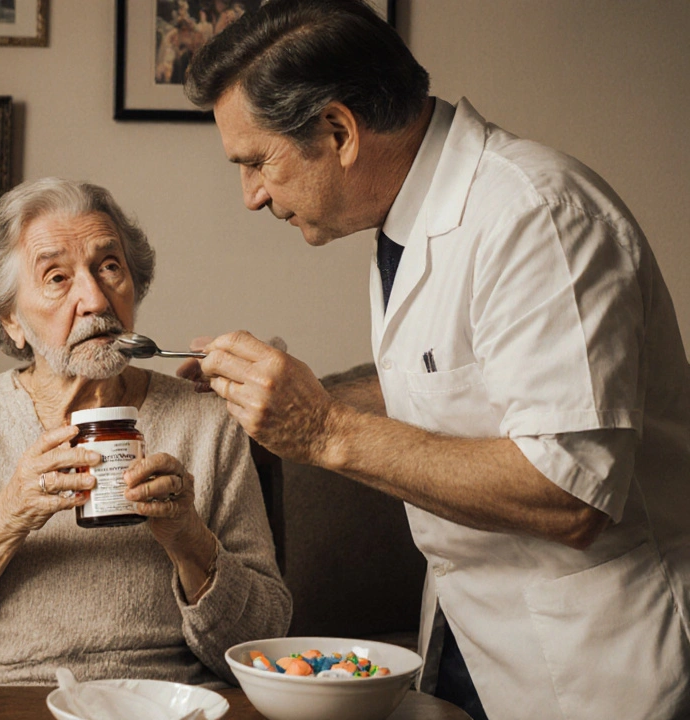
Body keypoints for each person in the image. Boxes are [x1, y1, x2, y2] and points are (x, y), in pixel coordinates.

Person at [180, 1, 690, 718]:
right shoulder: (410, 216)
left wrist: (322, 430)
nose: (252, 195)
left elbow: (571, 493)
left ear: (338, 130)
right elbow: (441, 379)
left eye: (256, 162)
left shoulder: (535, 215)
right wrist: (281, 397)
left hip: (592, 664)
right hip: (467, 642)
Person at [0, 177, 291, 686]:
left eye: (109, 267)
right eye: (57, 277)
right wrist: (8, 514)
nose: (95, 299)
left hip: (157, 704)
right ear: (11, 318)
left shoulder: (206, 422)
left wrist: (190, 539)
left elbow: (265, 645)